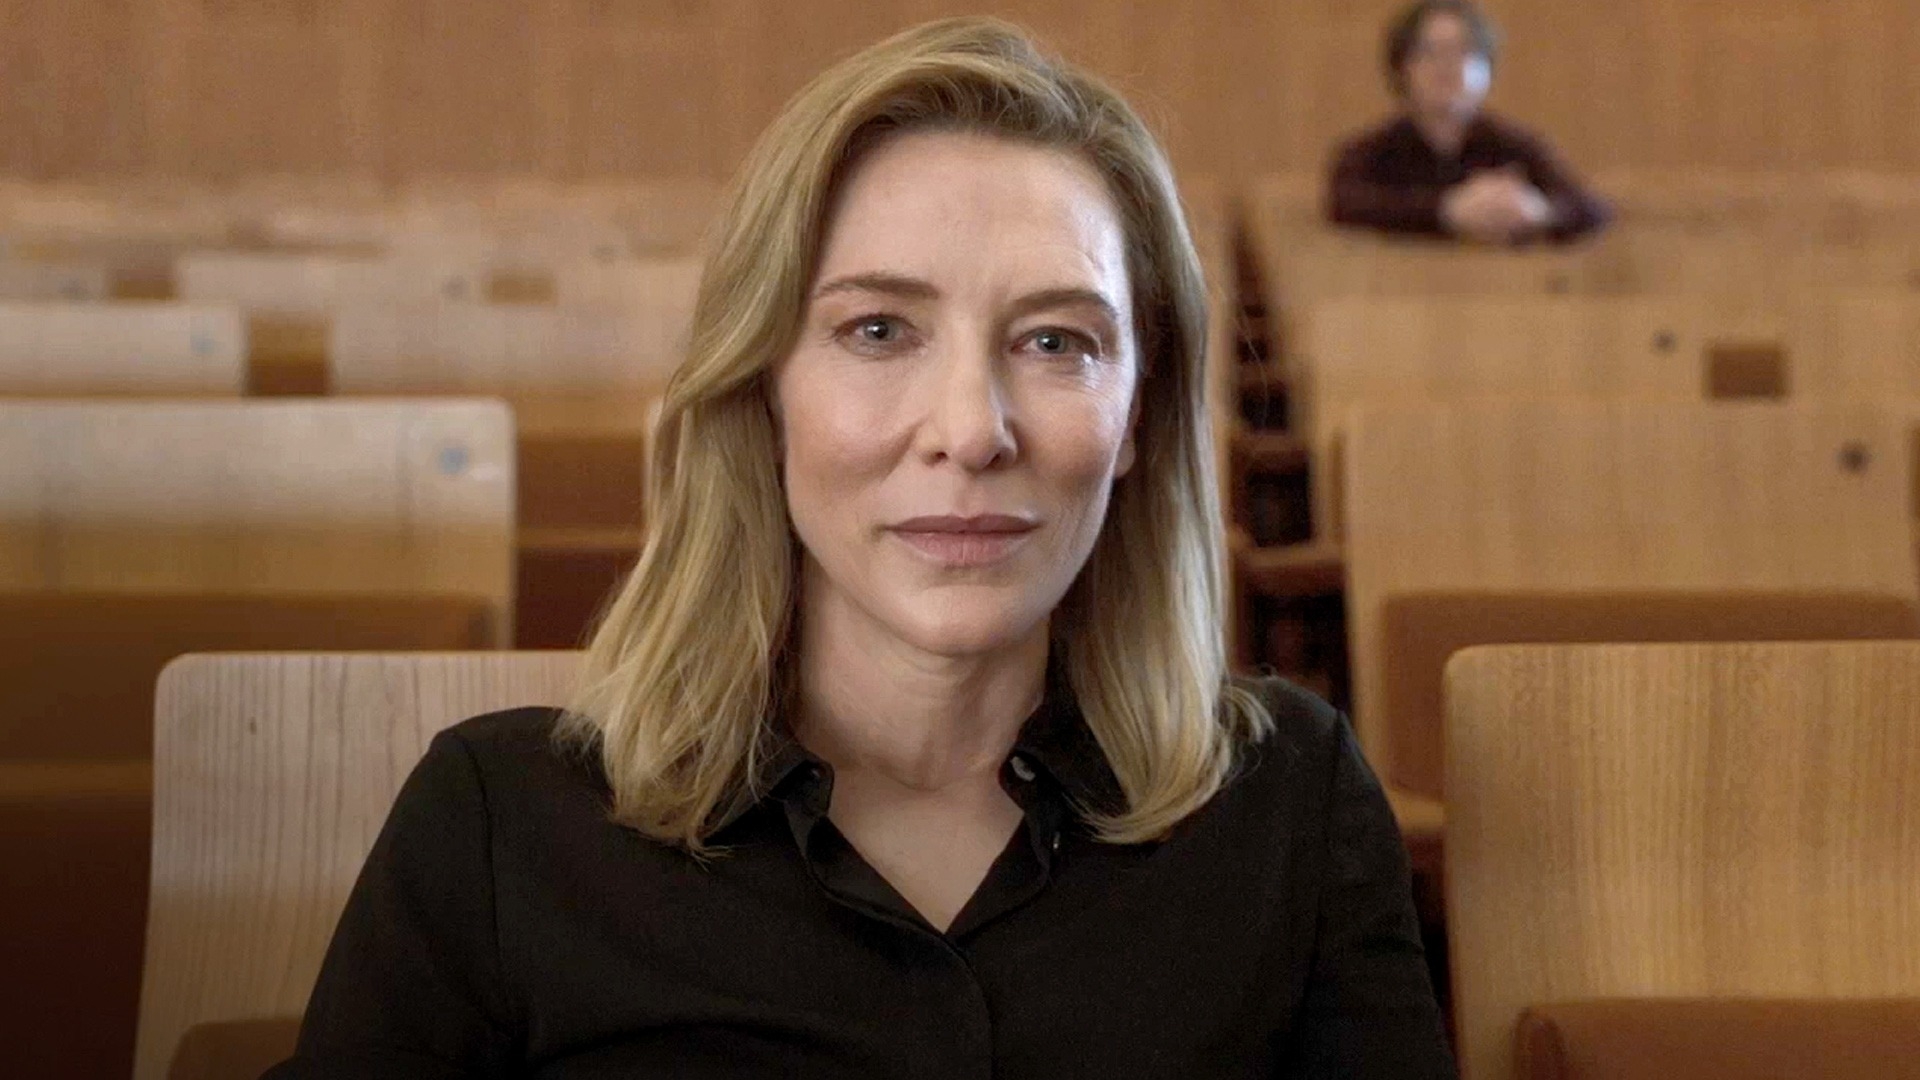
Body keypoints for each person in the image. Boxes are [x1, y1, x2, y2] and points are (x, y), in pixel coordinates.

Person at [266, 17, 1455, 1079]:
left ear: (1139, 413)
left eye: (1056, 342)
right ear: (762, 387)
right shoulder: (498, 825)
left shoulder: (1292, 806)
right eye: (878, 330)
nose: (971, 431)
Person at [1326, 0, 1611, 244]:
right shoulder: (1370, 152)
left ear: (1487, 67)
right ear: (1402, 68)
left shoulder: (1514, 146)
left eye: (1462, 51)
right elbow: (1346, 204)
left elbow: (1592, 210)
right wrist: (1447, 210)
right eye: (1429, 51)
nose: (1446, 66)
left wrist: (1538, 210)